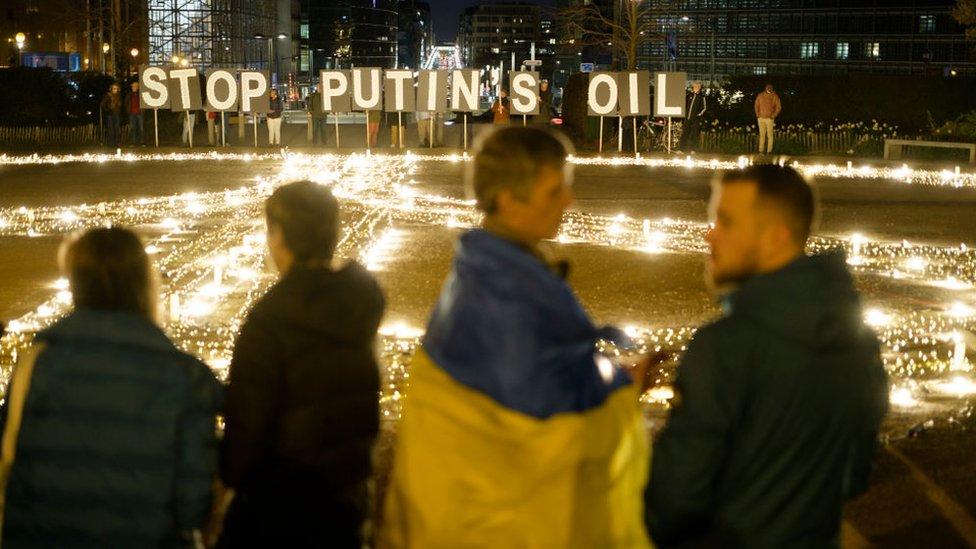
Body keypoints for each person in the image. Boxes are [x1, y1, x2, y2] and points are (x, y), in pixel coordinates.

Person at [380, 126, 651, 548]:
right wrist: (620, 387)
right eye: (554, 191)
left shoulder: (483, 273)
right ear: (508, 199)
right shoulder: (508, 300)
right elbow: (556, 433)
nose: (568, 201)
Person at [646, 164, 889, 547]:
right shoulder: (857, 338)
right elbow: (855, 472)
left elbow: (674, 497)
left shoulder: (726, 346)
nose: (709, 235)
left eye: (725, 221)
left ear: (776, 239)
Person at [0, 227, 221, 547]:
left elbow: (9, 465)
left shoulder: (35, 364)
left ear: (76, 286)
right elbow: (193, 504)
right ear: (144, 284)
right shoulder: (184, 377)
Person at [219, 181, 385, 547]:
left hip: (277, 514)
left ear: (278, 236)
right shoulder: (358, 307)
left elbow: (245, 440)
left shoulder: (268, 322)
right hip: (345, 508)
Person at [677, 81, 707, 152]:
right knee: (684, 133)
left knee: (694, 134)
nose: (696, 87)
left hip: (696, 119)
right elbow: (684, 104)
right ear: (693, 86)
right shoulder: (689, 95)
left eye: (698, 86)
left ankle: (693, 150)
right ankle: (681, 149)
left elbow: (704, 108)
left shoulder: (702, 96)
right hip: (687, 118)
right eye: (695, 86)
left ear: (700, 87)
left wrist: (698, 115)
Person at [754, 83, 782, 154]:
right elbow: (756, 105)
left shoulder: (774, 96)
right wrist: (758, 114)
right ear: (765, 88)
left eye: (770, 87)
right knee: (762, 135)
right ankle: (761, 151)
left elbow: (778, 107)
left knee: (770, 135)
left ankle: (769, 151)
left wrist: (773, 116)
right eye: (767, 87)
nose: (769, 88)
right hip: (761, 118)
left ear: (772, 88)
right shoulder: (760, 95)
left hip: (769, 118)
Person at [100, 82, 122, 148]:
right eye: (113, 88)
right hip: (109, 114)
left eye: (116, 88)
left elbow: (120, 104)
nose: (115, 90)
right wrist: (107, 109)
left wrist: (118, 104)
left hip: (116, 113)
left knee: (116, 129)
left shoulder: (119, 95)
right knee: (110, 129)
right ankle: (111, 143)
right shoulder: (108, 95)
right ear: (111, 89)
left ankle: (117, 142)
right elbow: (103, 104)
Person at [125, 81, 144, 146]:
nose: (133, 87)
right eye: (132, 86)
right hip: (132, 113)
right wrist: (128, 110)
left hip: (139, 113)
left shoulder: (141, 94)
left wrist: (142, 110)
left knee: (141, 128)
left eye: (134, 86)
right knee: (133, 128)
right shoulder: (129, 94)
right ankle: (133, 142)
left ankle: (141, 142)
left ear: (138, 87)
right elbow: (126, 102)